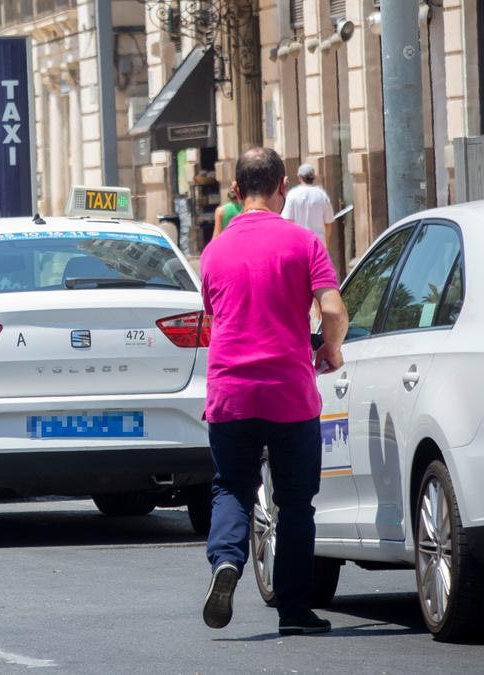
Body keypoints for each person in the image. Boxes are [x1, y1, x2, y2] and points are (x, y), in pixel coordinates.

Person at [199, 147, 349, 636]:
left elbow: (214, 317)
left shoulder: (213, 251)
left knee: (232, 488)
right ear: (284, 187)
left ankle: (226, 562)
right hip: (289, 394)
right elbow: (332, 309)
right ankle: (293, 610)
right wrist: (330, 350)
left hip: (230, 395)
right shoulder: (304, 243)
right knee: (296, 501)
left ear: (237, 193)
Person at [281, 163, 336, 250]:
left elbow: (287, 221)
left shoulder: (292, 195)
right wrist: (326, 244)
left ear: (299, 177)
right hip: (318, 245)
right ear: (313, 178)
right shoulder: (322, 195)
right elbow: (328, 223)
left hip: (298, 244)